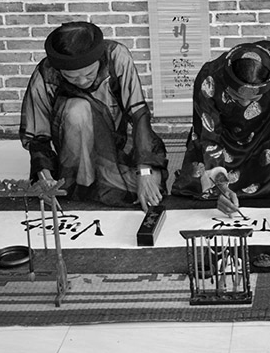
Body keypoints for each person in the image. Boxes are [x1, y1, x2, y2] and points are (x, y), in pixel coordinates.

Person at [20, 21, 168, 211]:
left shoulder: (116, 56)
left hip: (119, 141)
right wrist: (45, 177)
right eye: (72, 77)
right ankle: (84, 181)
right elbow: (38, 136)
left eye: (89, 74)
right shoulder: (46, 74)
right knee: (77, 109)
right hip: (75, 151)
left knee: (150, 186)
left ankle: (100, 180)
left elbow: (138, 113)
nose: (82, 81)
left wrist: (145, 172)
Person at [171, 40, 270, 214]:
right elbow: (208, 136)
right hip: (223, 139)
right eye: (236, 96)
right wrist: (220, 185)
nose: (245, 104)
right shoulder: (209, 77)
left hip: (262, 136)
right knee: (201, 187)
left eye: (254, 99)